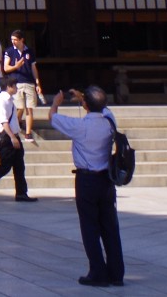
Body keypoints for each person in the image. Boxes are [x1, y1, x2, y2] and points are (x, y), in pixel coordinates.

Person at [49, 86, 126, 287]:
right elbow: (102, 108)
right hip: (106, 179)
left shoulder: (80, 126)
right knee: (110, 225)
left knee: (90, 226)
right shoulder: (110, 121)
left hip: (87, 180)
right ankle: (116, 272)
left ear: (85, 105)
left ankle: (98, 271)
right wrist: (84, 98)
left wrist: (56, 102)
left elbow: (53, 117)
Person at [0, 76, 37, 203]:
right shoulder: (1, 100)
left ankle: (21, 193)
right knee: (5, 166)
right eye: (14, 85)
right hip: (6, 138)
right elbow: (4, 121)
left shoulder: (9, 100)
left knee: (19, 166)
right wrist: (13, 137)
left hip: (13, 136)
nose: (16, 88)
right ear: (8, 86)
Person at [3, 29, 43, 140]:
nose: (13, 42)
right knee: (19, 107)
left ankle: (28, 132)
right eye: (12, 39)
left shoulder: (29, 51)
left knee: (29, 108)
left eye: (15, 39)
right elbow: (6, 68)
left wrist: (37, 83)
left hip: (29, 82)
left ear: (21, 40)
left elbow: (33, 68)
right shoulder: (9, 51)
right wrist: (16, 66)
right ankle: (17, 123)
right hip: (16, 82)